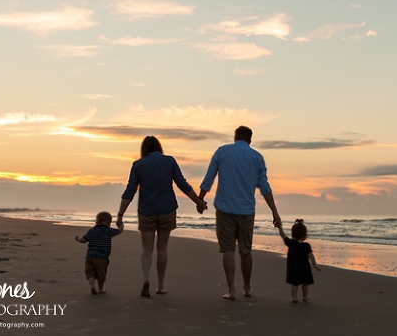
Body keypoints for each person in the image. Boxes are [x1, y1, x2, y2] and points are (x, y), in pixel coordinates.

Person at [198, 125, 281, 300]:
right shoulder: (257, 157)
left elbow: (209, 177)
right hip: (246, 210)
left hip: (225, 208)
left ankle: (231, 290)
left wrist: (200, 199)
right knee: (245, 250)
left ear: (235, 138)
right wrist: (275, 212)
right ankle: (248, 287)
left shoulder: (222, 151)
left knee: (228, 249)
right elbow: (265, 187)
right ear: (250, 140)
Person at [118, 136, 207, 297]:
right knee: (162, 247)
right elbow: (182, 184)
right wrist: (198, 202)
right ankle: (160, 285)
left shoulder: (138, 165)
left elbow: (130, 191)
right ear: (159, 147)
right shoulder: (169, 161)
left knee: (146, 248)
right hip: (167, 209)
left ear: (144, 149)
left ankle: (146, 278)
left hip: (146, 210)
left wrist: (120, 215)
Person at [74, 211, 120, 295]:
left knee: (90, 272)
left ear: (97, 221)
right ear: (108, 222)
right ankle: (100, 289)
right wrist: (121, 225)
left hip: (90, 256)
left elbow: (83, 240)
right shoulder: (109, 231)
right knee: (101, 274)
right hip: (102, 257)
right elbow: (119, 231)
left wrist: (77, 239)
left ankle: (92, 286)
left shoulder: (92, 231)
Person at [278, 218, 322, 303]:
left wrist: (280, 227)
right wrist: (314, 265)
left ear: (293, 234)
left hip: (293, 268)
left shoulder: (291, 243)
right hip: (304, 269)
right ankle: (305, 296)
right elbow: (311, 255)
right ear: (305, 235)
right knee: (305, 283)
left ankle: (294, 298)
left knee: (294, 284)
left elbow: (282, 235)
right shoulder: (306, 245)